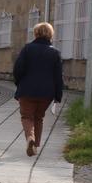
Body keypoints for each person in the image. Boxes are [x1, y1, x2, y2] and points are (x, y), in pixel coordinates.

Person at [12, 22, 65, 157]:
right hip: (46, 93)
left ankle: (30, 138)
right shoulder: (55, 53)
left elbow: (18, 69)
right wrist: (58, 95)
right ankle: (35, 146)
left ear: (35, 33)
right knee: (39, 117)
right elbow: (58, 76)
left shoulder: (27, 49)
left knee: (26, 116)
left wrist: (19, 83)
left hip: (27, 90)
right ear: (51, 34)